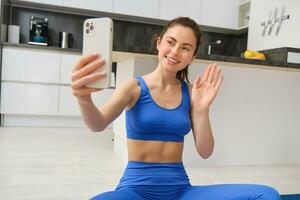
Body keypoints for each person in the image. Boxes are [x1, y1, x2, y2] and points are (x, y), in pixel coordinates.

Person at [71, 17, 281, 200]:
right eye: (171, 42)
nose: (175, 51)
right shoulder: (134, 88)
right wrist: (84, 99)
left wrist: (201, 109)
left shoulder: (191, 93)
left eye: (185, 47)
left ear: (193, 56)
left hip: (180, 192)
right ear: (159, 44)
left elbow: (205, 151)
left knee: (266, 194)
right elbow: (98, 124)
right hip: (136, 191)